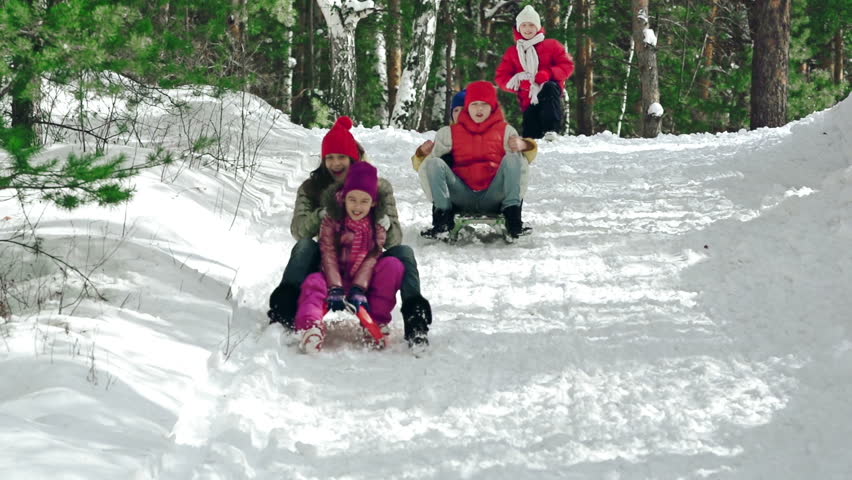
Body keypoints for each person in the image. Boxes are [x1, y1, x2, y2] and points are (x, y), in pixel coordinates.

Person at [268, 116, 431, 349]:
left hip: (366, 260)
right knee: (304, 247)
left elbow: (394, 242)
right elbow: (298, 230)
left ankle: (417, 322)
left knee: (404, 253)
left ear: (353, 158)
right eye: (330, 158)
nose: (335, 164)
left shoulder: (378, 187)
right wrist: (323, 214)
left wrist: (382, 222)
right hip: (329, 261)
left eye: (341, 157)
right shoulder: (312, 187)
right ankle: (284, 312)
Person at [295, 161, 404, 353]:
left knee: (392, 265)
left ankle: (376, 320)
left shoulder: (377, 225)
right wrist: (335, 286)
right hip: (334, 277)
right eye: (352, 199)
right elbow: (327, 252)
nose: (357, 206)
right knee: (313, 283)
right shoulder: (332, 219)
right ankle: (311, 326)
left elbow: (372, 257)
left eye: (364, 201)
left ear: (374, 202)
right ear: (343, 198)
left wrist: (359, 288)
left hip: (364, 283)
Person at [418, 80, 535, 239]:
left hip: (493, 195)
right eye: (474, 104)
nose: (479, 109)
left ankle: (513, 219)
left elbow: (522, 166)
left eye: (484, 104)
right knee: (434, 162)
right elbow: (426, 167)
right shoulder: (449, 133)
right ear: (467, 106)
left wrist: (524, 144)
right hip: (462, 195)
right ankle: (442, 220)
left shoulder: (506, 131)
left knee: (513, 158)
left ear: (492, 106)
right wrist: (420, 154)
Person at [495, 5, 574, 139]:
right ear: (518, 28)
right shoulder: (513, 52)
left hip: (549, 94)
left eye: (531, 25)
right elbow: (501, 78)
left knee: (549, 87)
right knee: (531, 137)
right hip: (528, 100)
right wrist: (521, 82)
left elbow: (567, 66)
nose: (527, 29)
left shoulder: (552, 45)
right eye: (524, 25)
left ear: (537, 27)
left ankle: (551, 130)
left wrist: (548, 74)